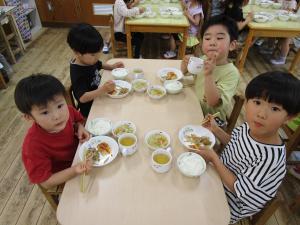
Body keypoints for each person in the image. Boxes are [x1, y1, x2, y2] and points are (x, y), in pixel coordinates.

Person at [195, 71, 300, 224]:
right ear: (247, 102)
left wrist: (214, 158)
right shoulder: (250, 127)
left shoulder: (269, 159)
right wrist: (217, 130)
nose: (261, 114)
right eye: (257, 102)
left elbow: (238, 189)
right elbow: (235, 142)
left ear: (289, 117)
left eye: (275, 109)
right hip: (217, 176)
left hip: (230, 203)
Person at [14, 74, 92, 189]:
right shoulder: (32, 146)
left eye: (60, 105)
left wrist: (80, 127)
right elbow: (46, 182)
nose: (57, 116)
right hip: (66, 174)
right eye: (45, 112)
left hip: (82, 154)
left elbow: (77, 120)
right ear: (29, 117)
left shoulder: (68, 111)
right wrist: (75, 170)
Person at [181, 15, 240, 122]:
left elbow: (213, 102)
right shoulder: (203, 59)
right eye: (207, 38)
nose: (212, 42)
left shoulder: (232, 73)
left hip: (211, 121)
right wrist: (185, 65)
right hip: (194, 107)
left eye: (219, 38)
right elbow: (186, 73)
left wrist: (209, 75)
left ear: (232, 45)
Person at [67, 23, 124, 118]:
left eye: (99, 53)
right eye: (93, 55)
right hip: (91, 110)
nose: (97, 57)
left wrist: (111, 67)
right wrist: (102, 90)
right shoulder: (77, 72)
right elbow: (82, 98)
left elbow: (99, 64)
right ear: (77, 52)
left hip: (101, 97)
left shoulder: (89, 61)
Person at [270, 0, 298, 65]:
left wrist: (286, 11)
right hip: (282, 22)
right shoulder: (283, 0)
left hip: (291, 27)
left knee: (286, 39)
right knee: (272, 31)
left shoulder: (293, 2)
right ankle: (270, 48)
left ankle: (282, 59)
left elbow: (290, 12)